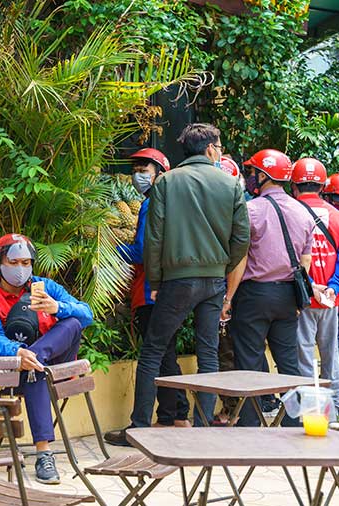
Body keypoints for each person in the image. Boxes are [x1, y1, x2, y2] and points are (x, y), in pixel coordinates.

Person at [128, 123, 250, 430]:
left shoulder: (167, 182)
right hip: (213, 280)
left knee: (153, 350)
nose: (220, 152)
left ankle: (140, 426)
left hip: (177, 279)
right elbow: (242, 239)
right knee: (207, 353)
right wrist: (223, 266)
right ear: (210, 149)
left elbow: (154, 239)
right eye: (220, 147)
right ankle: (202, 428)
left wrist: (154, 282)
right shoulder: (230, 184)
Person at [0, 234, 93, 484]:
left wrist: (57, 308)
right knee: (36, 370)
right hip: (13, 371)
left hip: (53, 364)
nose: (21, 269)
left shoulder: (47, 288)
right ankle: (43, 454)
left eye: (26, 263)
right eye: (14, 262)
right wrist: (18, 352)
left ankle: (36, 359)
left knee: (71, 323)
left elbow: (87, 314)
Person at [222, 149, 315, 427]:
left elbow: (241, 259)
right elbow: (305, 262)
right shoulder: (303, 212)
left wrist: (229, 297)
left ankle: (249, 421)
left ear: (263, 176)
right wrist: (299, 301)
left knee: (248, 359)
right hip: (288, 296)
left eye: (252, 173)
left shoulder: (251, 211)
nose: (251, 178)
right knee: (288, 362)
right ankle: (293, 421)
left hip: (255, 295)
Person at [104, 149, 189, 446]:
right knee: (166, 355)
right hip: (172, 288)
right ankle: (173, 415)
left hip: (151, 291)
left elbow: (143, 250)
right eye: (136, 168)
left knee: (155, 355)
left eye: (144, 168)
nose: (139, 174)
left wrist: (110, 251)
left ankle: (149, 424)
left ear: (160, 172)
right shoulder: (174, 204)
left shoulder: (151, 204)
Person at [291, 157, 339, 410]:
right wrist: (335, 286)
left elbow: (288, 256)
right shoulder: (336, 215)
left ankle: (311, 412)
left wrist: (309, 285)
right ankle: (335, 413)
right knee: (332, 359)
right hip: (332, 300)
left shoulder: (290, 212)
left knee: (304, 358)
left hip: (302, 298)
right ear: (322, 186)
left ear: (294, 186)